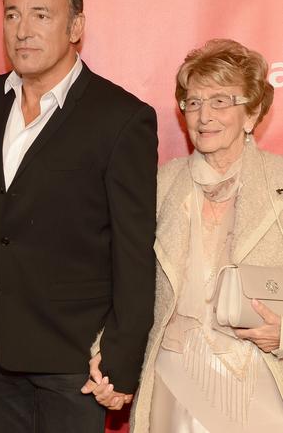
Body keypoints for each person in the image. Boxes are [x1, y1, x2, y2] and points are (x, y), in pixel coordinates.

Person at [0, 0, 158, 432]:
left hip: (76, 363)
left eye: (41, 15)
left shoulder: (121, 118)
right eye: (12, 14)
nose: (22, 29)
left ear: (75, 26)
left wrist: (122, 356)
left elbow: (134, 251)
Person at [131, 39, 283, 432]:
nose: (203, 115)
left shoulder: (279, 183)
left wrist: (281, 335)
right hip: (173, 376)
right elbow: (126, 279)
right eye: (194, 102)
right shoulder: (162, 184)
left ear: (251, 113)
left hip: (254, 379)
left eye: (220, 101)